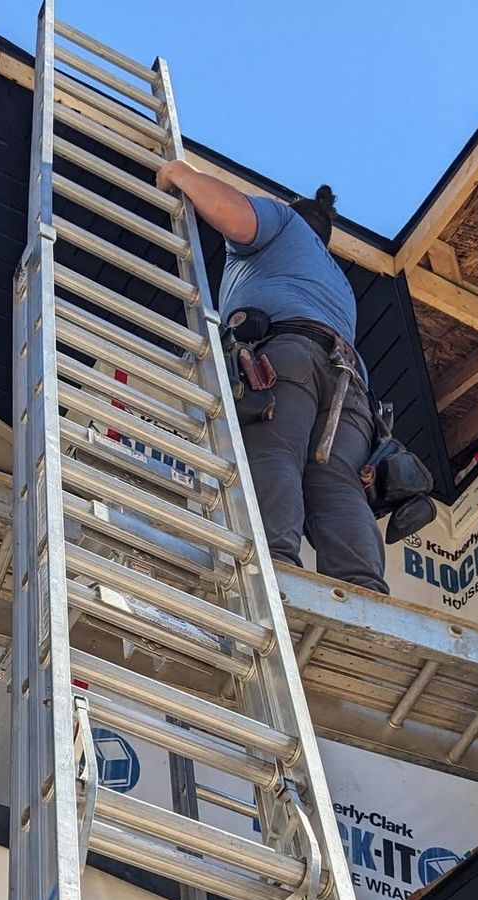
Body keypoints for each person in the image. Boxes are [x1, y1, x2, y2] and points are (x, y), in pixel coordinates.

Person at [154, 161, 386, 593]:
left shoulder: (282, 224)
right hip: (349, 384)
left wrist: (179, 173)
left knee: (274, 450)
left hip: (286, 356)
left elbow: (237, 217)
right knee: (338, 486)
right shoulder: (337, 281)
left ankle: (272, 570)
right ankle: (363, 591)